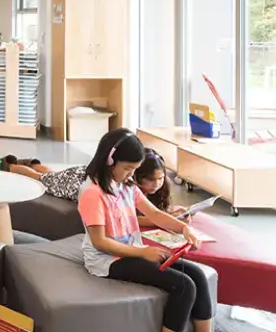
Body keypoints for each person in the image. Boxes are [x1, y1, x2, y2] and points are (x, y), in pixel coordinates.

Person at [79, 129, 210, 332]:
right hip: (107, 261)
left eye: (135, 169)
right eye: (128, 168)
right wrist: (143, 252)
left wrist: (184, 229)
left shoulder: (126, 184)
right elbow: (100, 242)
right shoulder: (92, 193)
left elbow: (154, 214)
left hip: (132, 251)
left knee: (198, 276)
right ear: (110, 160)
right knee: (184, 286)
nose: (132, 174)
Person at [134, 149, 188, 228]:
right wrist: (170, 219)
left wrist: (174, 216)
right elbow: (135, 220)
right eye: (150, 179)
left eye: (160, 178)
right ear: (137, 176)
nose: (156, 184)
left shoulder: (164, 187)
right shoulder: (131, 190)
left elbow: (160, 211)